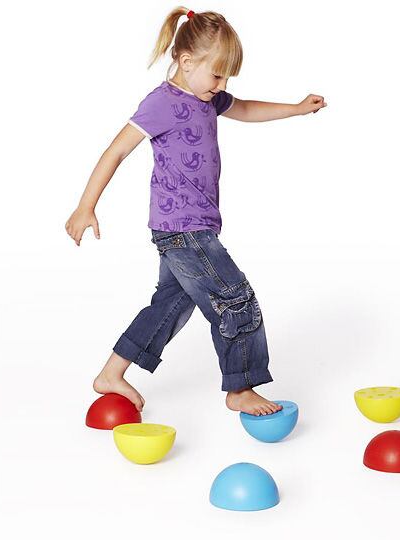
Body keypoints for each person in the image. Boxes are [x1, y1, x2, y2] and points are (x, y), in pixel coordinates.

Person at [65, 6, 326, 416]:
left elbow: (245, 109)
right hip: (183, 229)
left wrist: (294, 108)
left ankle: (111, 374)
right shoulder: (161, 103)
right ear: (186, 62)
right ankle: (241, 387)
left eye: (227, 78)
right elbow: (116, 151)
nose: (222, 86)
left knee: (170, 305)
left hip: (194, 227)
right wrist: (86, 206)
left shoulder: (208, 97)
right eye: (217, 76)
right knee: (234, 297)